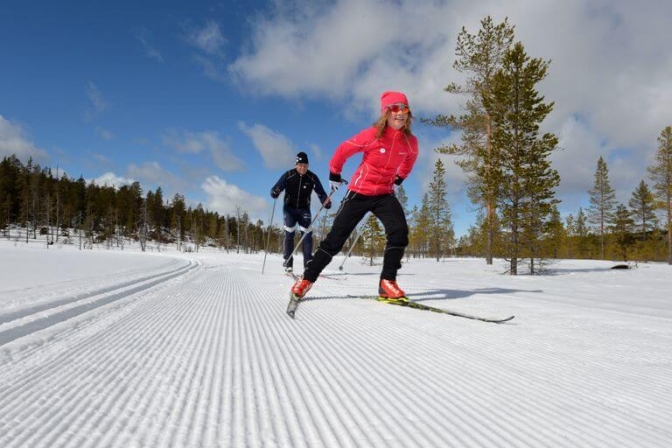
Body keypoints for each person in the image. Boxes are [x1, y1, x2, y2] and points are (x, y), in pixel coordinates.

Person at [291, 91, 419, 299]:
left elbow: (409, 161)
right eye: (394, 108)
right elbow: (343, 150)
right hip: (359, 192)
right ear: (386, 113)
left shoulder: (410, 142)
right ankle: (307, 279)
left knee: (399, 231)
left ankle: (387, 281)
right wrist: (334, 173)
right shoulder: (372, 135)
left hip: (385, 193)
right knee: (335, 240)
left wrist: (400, 177)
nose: (400, 113)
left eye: (404, 108)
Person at [271, 151, 331, 272]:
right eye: (300, 165)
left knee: (307, 234)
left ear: (308, 166)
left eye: (305, 165)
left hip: (304, 209)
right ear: (296, 165)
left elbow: (321, 193)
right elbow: (276, 188)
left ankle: (308, 262)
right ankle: (288, 261)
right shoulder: (288, 175)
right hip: (289, 209)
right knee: (289, 233)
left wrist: (326, 201)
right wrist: (275, 191)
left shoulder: (312, 177)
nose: (303, 167)